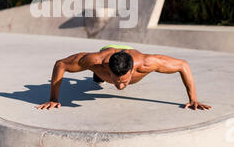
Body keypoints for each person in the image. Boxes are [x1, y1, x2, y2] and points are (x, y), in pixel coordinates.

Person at [36, 43, 212, 111]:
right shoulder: (96, 62)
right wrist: (53, 98)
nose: (120, 87)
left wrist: (193, 99)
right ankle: (99, 77)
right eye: (116, 81)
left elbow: (183, 65)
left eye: (125, 81)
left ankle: (106, 76)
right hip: (108, 50)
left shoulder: (146, 64)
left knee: (103, 77)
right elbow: (61, 64)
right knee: (97, 78)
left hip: (127, 50)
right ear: (108, 70)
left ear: (132, 71)